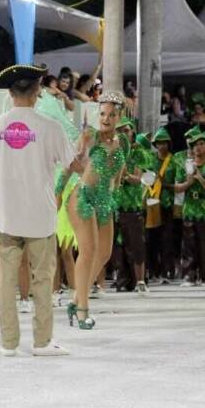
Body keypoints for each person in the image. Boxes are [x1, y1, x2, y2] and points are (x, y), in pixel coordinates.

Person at [0, 64, 80, 356]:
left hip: (6, 214)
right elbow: (73, 165)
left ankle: (8, 344)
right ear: (37, 92)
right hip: (40, 216)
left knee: (6, 280)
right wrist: (86, 148)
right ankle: (42, 342)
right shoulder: (51, 126)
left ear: (10, 93)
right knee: (42, 280)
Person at [65, 91, 128, 330]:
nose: (106, 119)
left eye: (111, 115)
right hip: (83, 197)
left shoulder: (121, 143)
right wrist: (59, 192)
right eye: (102, 114)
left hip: (104, 200)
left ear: (119, 117)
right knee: (88, 251)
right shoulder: (89, 136)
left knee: (104, 253)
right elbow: (70, 165)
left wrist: (114, 196)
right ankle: (83, 310)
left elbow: (117, 177)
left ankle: (75, 300)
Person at [175, 130, 205, 286]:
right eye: (195, 145)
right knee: (189, 245)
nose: (198, 148)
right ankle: (189, 276)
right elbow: (177, 188)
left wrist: (200, 179)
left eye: (202, 144)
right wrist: (188, 182)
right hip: (190, 209)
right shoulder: (186, 167)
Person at [113, 119, 151, 293]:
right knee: (116, 247)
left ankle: (140, 281)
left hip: (132, 206)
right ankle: (120, 280)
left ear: (132, 133)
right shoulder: (111, 153)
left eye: (126, 130)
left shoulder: (138, 153)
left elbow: (138, 179)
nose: (123, 134)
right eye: (119, 130)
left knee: (136, 246)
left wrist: (124, 175)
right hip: (114, 206)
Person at [145, 127, 179, 284]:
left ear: (168, 144)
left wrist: (165, 185)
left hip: (167, 204)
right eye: (158, 143)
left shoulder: (174, 160)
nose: (161, 146)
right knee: (152, 239)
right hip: (153, 204)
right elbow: (145, 179)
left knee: (168, 239)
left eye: (164, 143)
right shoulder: (150, 159)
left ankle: (168, 271)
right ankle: (153, 271)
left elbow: (178, 180)